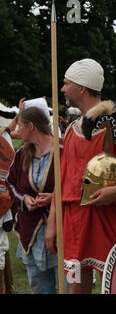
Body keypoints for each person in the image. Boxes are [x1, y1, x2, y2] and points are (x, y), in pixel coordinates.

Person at [45, 58, 116, 294]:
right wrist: (52, 224)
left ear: (81, 87)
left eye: (66, 83)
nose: (62, 89)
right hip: (74, 221)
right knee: (76, 285)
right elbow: (61, 181)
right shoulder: (73, 130)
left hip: (108, 218)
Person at [6, 107, 58, 294]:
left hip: (60, 228)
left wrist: (54, 197)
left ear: (31, 126)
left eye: (20, 126)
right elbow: (10, 183)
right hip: (31, 230)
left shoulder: (62, 150)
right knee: (39, 286)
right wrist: (25, 198)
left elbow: (77, 184)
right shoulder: (22, 154)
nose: (17, 130)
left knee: (68, 284)